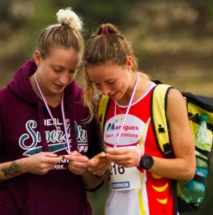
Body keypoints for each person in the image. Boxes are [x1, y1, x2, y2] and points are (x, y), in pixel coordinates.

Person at [83, 23, 196, 215]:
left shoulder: (166, 98)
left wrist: (141, 159)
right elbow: (115, 177)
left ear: (128, 63)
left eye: (110, 81)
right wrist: (99, 169)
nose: (105, 91)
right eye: (97, 84)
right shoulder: (102, 104)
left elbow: (187, 168)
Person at [0, 7, 104, 215]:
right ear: (38, 58)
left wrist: (87, 170)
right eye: (57, 70)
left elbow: (94, 183)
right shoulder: (5, 102)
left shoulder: (86, 104)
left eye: (72, 71)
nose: (63, 79)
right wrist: (24, 165)